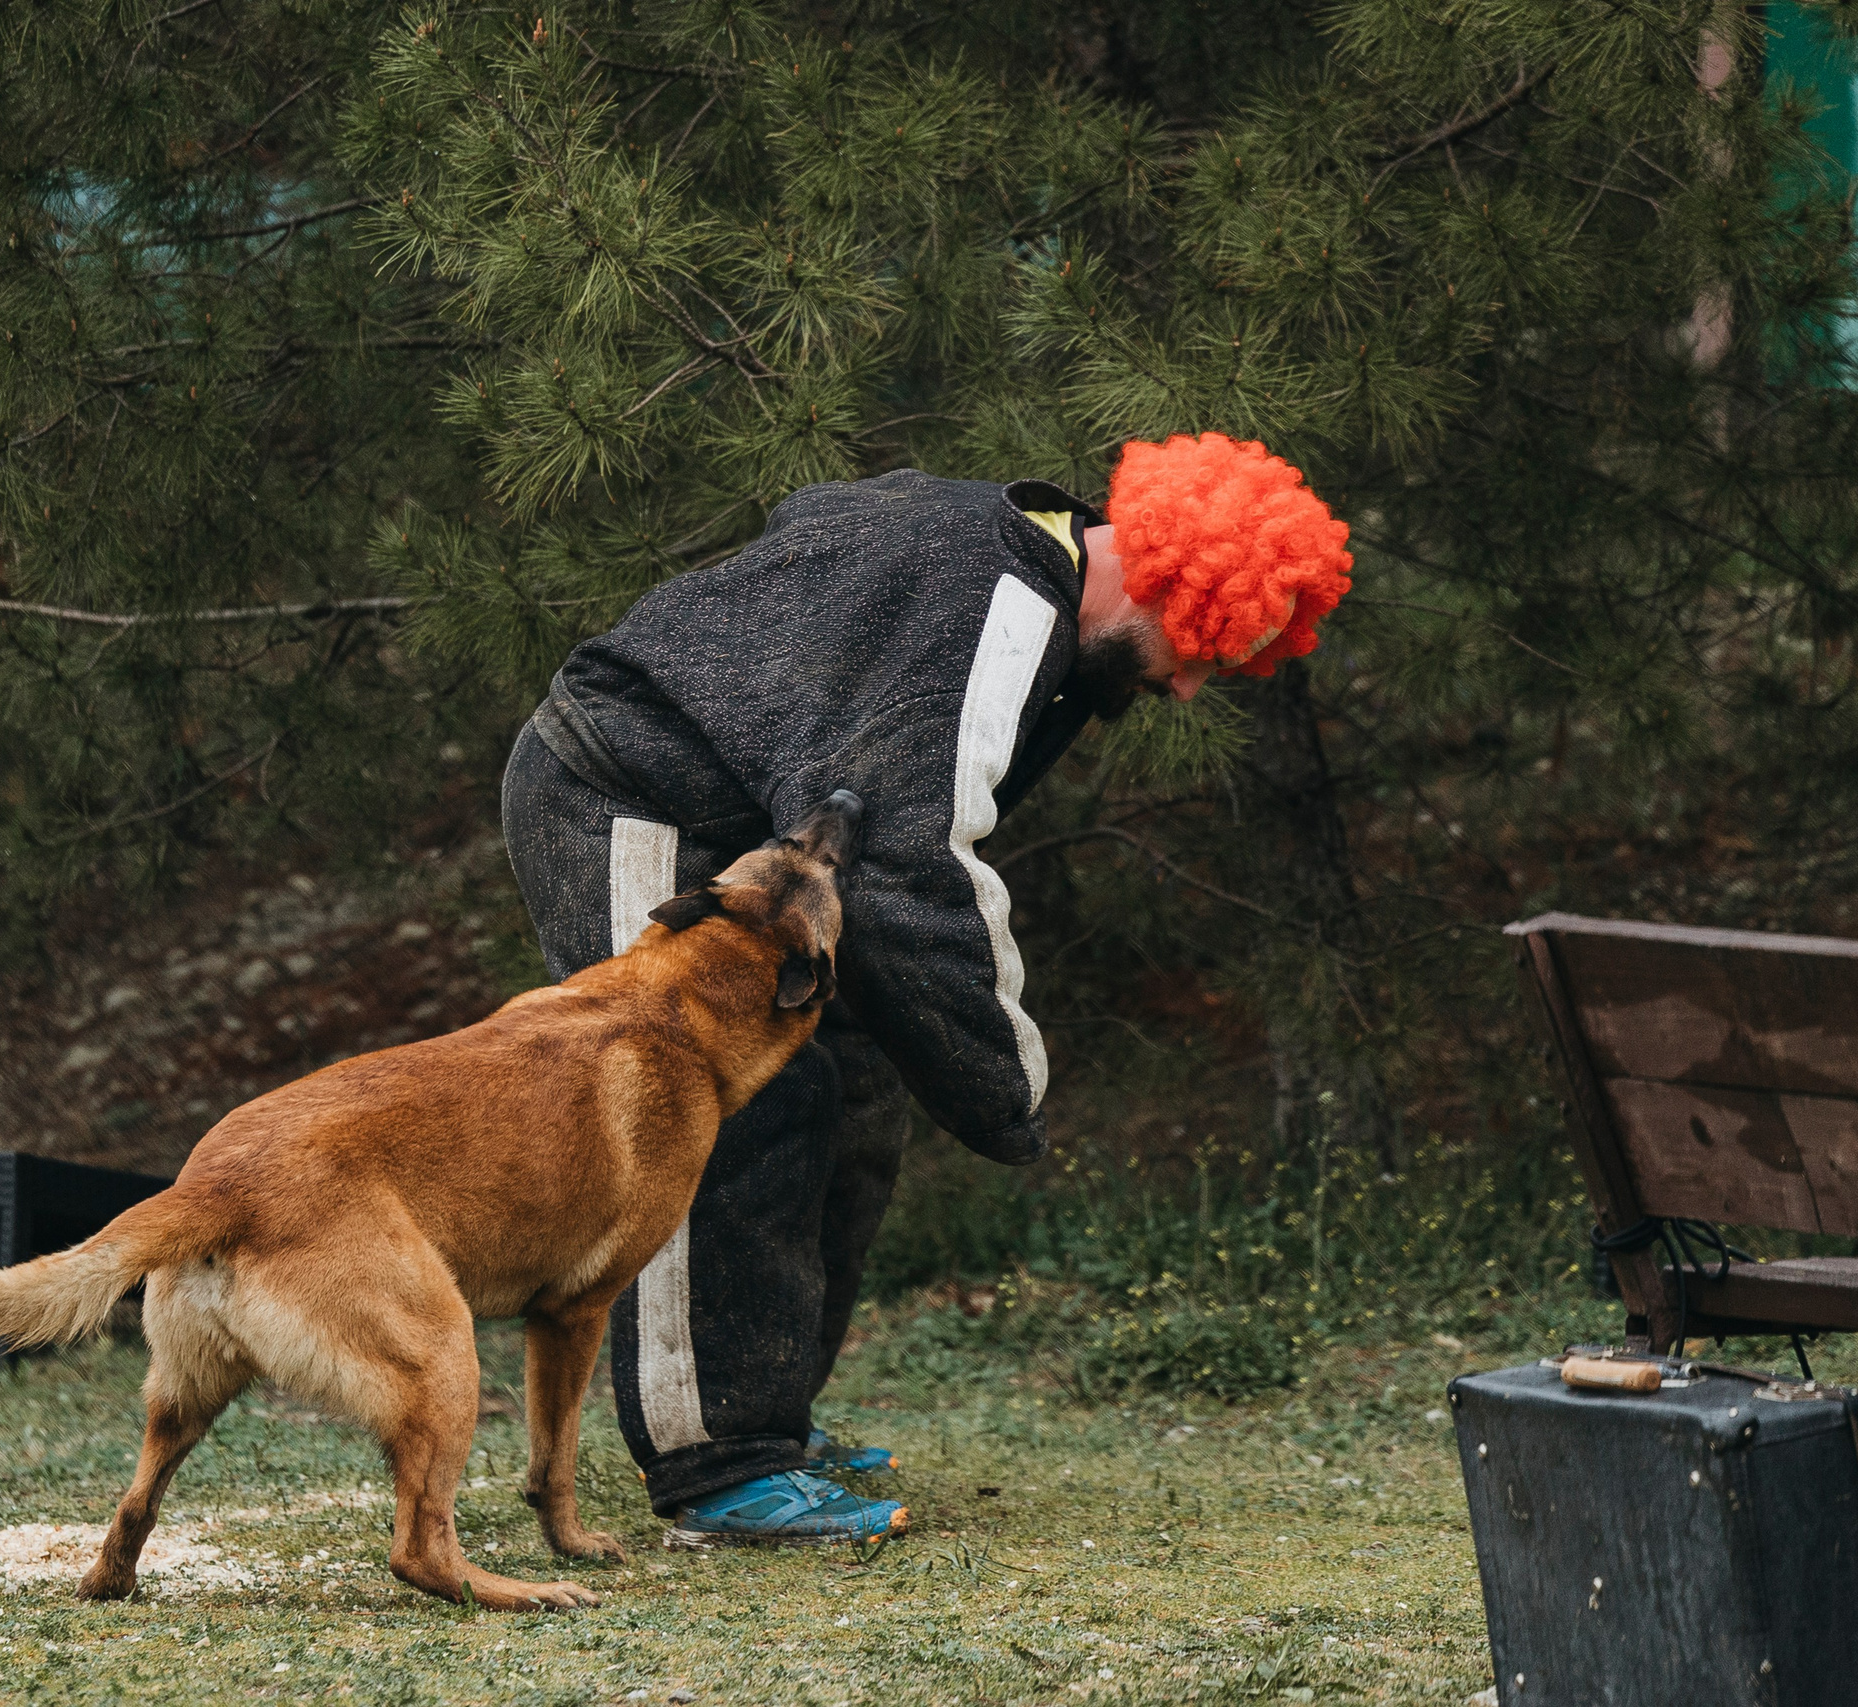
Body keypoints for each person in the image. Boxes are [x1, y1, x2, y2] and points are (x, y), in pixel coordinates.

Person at [499, 433, 1353, 1549]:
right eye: (1197, 649)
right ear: (1158, 576)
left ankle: (771, 1420)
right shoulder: (995, 607)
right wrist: (1005, 1090)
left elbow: (815, 514)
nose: (1187, 686)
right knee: (711, 1109)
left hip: (768, 829)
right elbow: (914, 866)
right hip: (625, 793)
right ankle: (717, 1467)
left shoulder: (1017, 559)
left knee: (850, 1089)